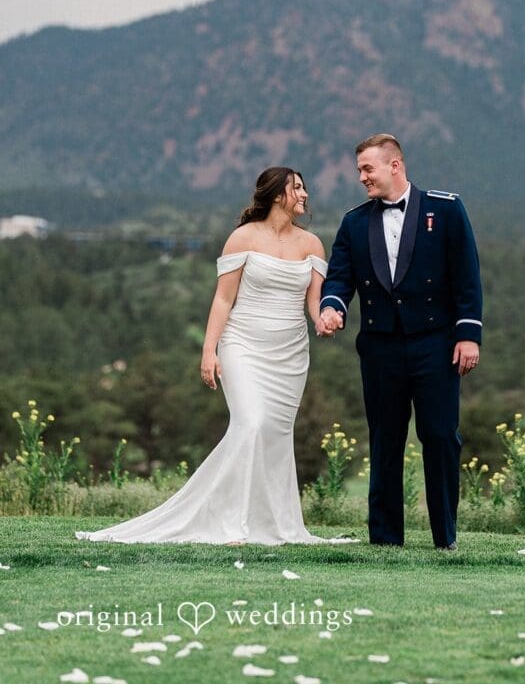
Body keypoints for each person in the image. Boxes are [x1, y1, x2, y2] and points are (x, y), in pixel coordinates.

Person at [76, 167, 339, 546]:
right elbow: (223, 299)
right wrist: (209, 350)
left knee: (275, 436)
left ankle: (276, 525)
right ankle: (231, 524)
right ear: (278, 194)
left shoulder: (312, 244)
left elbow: (312, 303)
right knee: (250, 423)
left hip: (291, 354)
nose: (305, 193)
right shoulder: (242, 238)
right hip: (243, 345)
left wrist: (324, 320)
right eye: (297, 187)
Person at [316, 134, 482, 551]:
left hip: (435, 344)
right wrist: (332, 307)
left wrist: (468, 335)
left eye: (367, 169)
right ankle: (386, 540)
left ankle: (445, 538)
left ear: (395, 166)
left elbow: (467, 277)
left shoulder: (445, 209)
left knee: (441, 435)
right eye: (359, 170)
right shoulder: (353, 222)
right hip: (380, 347)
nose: (361, 178)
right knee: (385, 439)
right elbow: (338, 277)